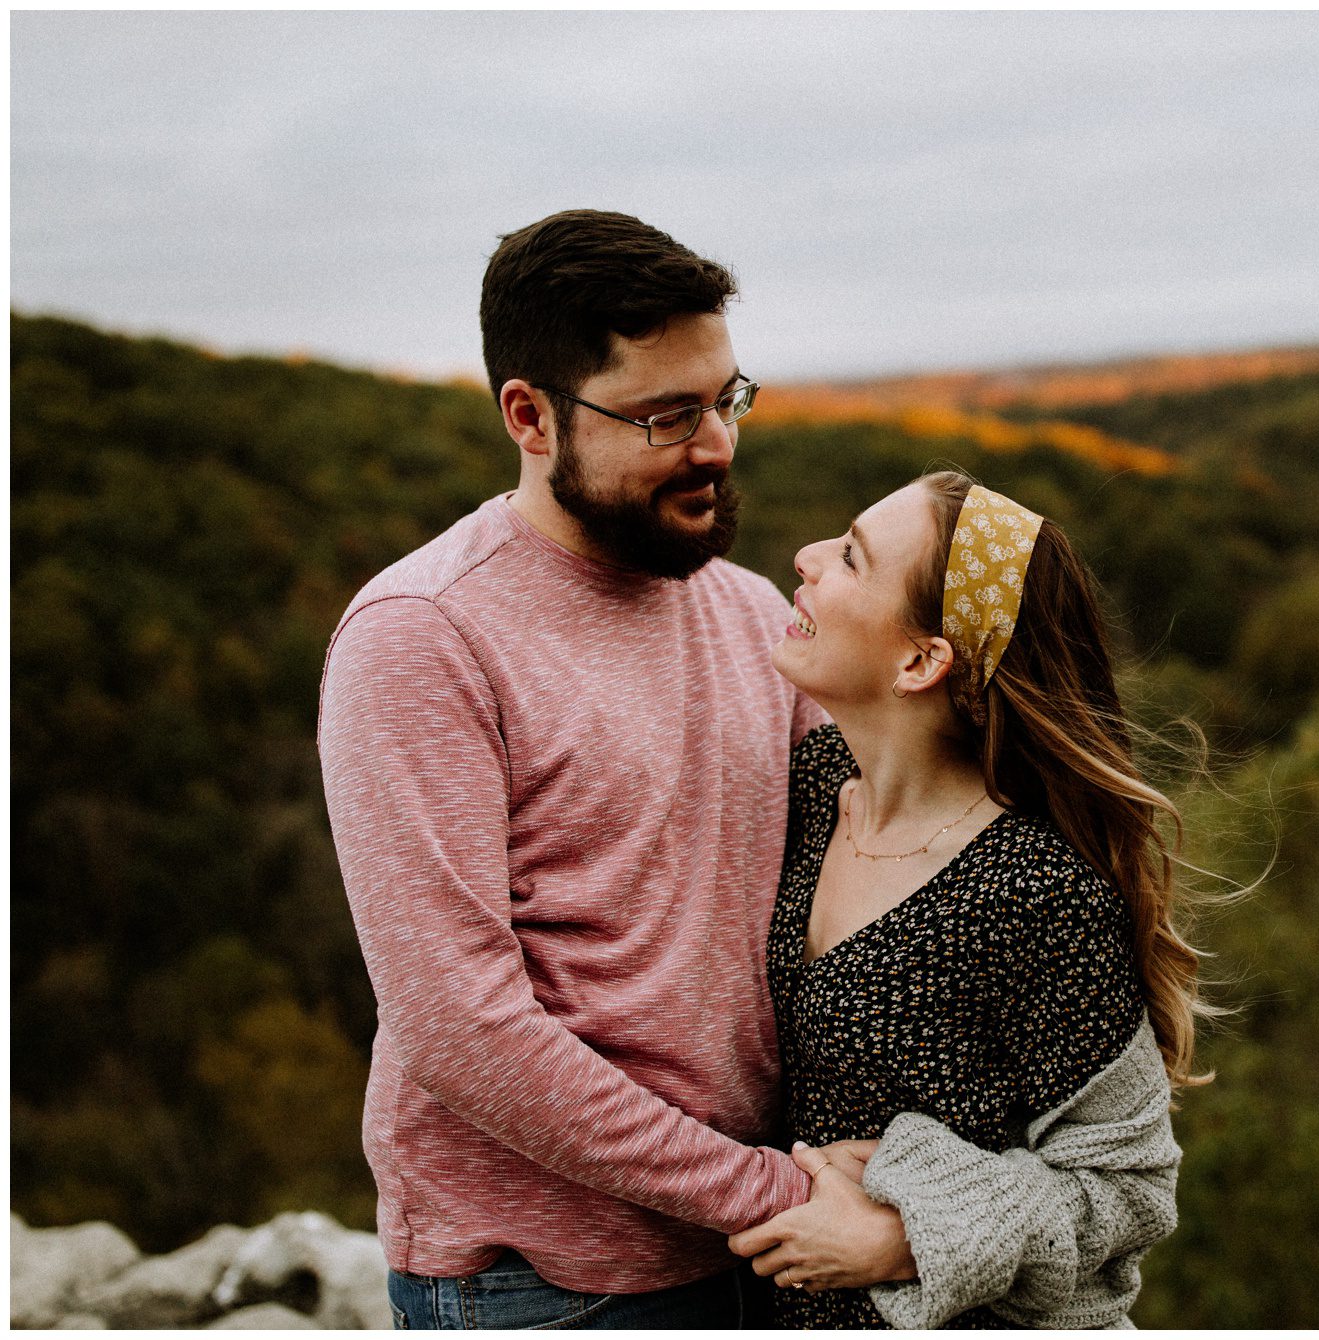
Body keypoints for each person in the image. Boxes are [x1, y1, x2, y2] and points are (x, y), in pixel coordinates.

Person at [317, 209, 828, 1328]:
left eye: (727, 399)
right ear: (529, 415)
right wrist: (771, 1192)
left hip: (763, 1253)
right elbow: (459, 1025)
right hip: (535, 1281)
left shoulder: (752, 617)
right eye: (666, 415)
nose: (716, 445)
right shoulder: (421, 635)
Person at [725, 471, 1204, 1327]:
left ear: (920, 660)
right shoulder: (814, 782)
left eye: (849, 558)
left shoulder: (1036, 892)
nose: (803, 559)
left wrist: (910, 1236)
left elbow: (1130, 1188)